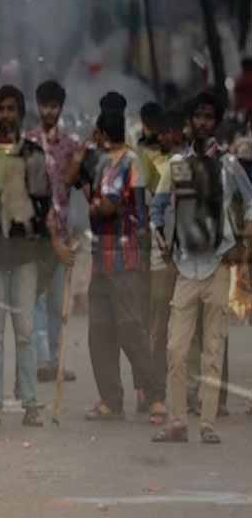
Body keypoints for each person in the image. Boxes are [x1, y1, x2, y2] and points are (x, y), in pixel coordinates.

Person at [151, 91, 252, 445]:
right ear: (190, 121)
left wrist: (243, 243)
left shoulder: (228, 165)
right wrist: (163, 243)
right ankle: (178, 422)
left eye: (209, 117)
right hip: (185, 267)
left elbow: (250, 203)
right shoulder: (177, 164)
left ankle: (207, 424)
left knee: (213, 351)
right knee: (176, 350)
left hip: (218, 266)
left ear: (216, 122)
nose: (203, 122)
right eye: (198, 116)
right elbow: (157, 208)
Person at [0, 85, 51, 427]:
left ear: (20, 113)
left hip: (26, 256)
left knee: (25, 332)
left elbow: (44, 207)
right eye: (0, 109)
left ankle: (30, 404)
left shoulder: (34, 155)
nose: (6, 115)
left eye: (11, 109)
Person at [83, 106, 160, 422]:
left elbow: (106, 206)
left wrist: (91, 201)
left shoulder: (121, 163)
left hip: (123, 258)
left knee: (128, 329)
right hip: (104, 258)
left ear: (102, 134)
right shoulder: (121, 161)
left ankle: (154, 394)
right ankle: (112, 400)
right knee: (101, 330)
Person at [25, 80, 79, 383]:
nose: (49, 111)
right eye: (45, 105)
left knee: (59, 301)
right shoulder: (28, 143)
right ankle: (42, 360)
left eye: (54, 106)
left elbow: (74, 186)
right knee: (37, 299)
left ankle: (57, 361)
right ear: (38, 106)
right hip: (36, 234)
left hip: (64, 231)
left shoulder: (71, 145)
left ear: (61, 107)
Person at [145, 109, 186, 426]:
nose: (163, 136)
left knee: (187, 331)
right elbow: (156, 210)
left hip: (191, 257)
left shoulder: (189, 163)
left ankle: (191, 395)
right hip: (163, 255)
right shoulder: (153, 162)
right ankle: (155, 392)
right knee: (159, 326)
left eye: (168, 131)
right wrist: (162, 242)